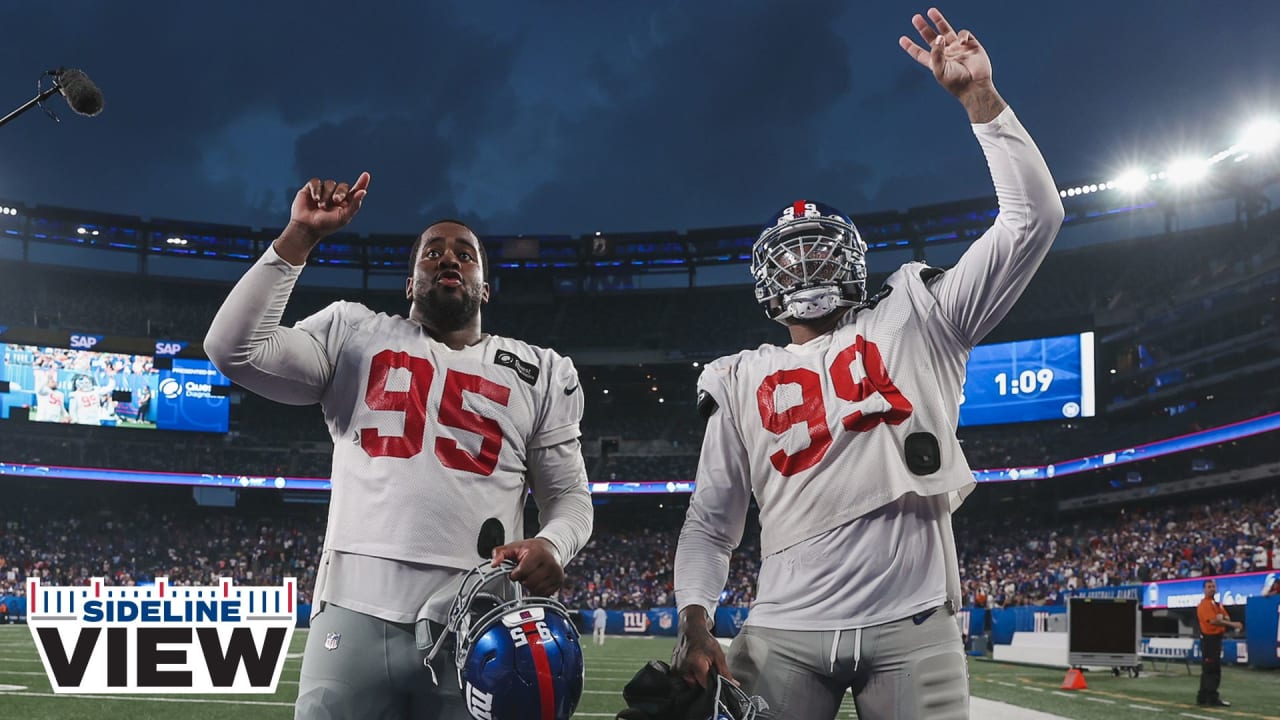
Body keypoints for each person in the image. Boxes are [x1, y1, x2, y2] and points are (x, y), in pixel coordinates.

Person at [670, 8, 1064, 720]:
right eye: (791, 257)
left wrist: (981, 99)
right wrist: (696, 618)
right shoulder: (736, 375)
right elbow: (709, 524)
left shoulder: (921, 312)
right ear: (765, 286)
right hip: (784, 628)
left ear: (853, 262)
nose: (807, 266)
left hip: (913, 623)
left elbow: (1033, 218)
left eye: (819, 250)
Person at [205, 172, 594, 720]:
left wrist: (554, 544)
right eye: (431, 252)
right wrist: (299, 237)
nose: (448, 259)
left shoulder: (543, 371)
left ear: (484, 286)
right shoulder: (353, 332)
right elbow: (232, 349)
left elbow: (571, 496)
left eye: (465, 253)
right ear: (410, 284)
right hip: (353, 609)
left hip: (477, 625)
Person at [1197, 578, 1241, 707]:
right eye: (1209, 586)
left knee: (1210, 669)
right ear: (1204, 589)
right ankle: (1211, 697)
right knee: (1212, 669)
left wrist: (1223, 619)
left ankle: (1203, 697)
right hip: (1210, 639)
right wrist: (1231, 624)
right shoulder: (1205, 604)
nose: (1212, 589)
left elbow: (1224, 617)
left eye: (1213, 586)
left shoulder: (1216, 604)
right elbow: (1213, 621)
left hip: (1215, 639)